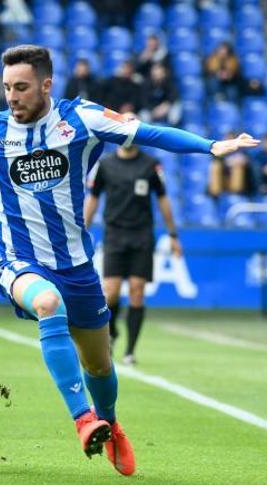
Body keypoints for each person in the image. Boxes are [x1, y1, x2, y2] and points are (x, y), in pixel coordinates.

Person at [0, 45, 259, 476]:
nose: (12, 96)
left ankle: (110, 423)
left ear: (47, 85)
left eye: (22, 87)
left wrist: (211, 146)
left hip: (77, 266)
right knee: (48, 303)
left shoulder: (79, 119)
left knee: (100, 363)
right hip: (19, 260)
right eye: (7, 87)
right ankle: (84, 419)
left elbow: (149, 133)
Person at [84, 113, 183, 366]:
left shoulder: (151, 165)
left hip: (141, 236)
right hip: (114, 234)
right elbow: (93, 199)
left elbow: (163, 199)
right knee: (111, 293)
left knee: (137, 292)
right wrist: (81, 228)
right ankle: (112, 333)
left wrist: (173, 235)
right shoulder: (105, 164)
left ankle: (130, 350)